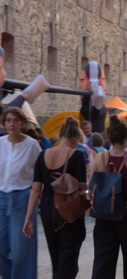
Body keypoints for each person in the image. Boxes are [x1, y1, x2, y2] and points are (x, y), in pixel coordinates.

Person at [23, 116, 86, 279]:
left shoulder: (43, 154)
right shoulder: (77, 155)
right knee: (69, 256)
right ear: (75, 138)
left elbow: (36, 189)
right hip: (68, 209)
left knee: (56, 256)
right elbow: (82, 187)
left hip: (47, 208)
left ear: (61, 135)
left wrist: (28, 218)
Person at [89, 115, 127, 279]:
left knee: (102, 262)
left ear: (109, 137)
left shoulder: (100, 157)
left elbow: (91, 186)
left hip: (104, 214)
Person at [0, 107, 41, 279]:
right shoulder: (0, 143)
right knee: (1, 247)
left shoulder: (32, 146)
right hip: (1, 199)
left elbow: (41, 175)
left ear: (23, 123)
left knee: (21, 251)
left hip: (23, 199)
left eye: (16, 120)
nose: (12, 124)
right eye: (8, 120)